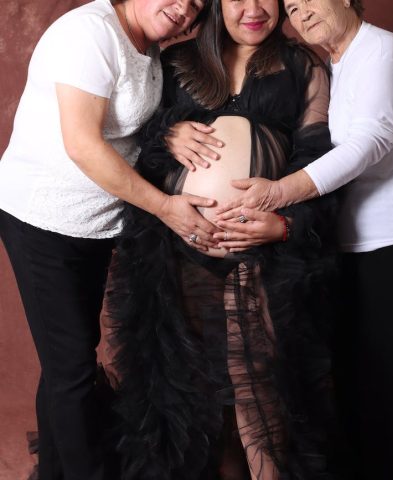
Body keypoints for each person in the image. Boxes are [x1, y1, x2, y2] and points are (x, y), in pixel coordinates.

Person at [107, 0, 340, 478]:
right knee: (191, 384)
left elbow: (323, 166)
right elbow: (134, 150)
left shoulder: (302, 65)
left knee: (260, 382)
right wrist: (167, 135)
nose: (253, 9)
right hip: (177, 248)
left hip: (267, 251)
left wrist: (287, 224)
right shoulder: (175, 62)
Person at [215, 0, 393, 479]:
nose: (301, 12)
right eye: (292, 6)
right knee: (349, 385)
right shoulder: (334, 64)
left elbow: (370, 143)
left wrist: (279, 192)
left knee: (389, 386)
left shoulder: (383, 51)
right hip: (345, 244)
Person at [0, 0, 213, 478]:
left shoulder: (150, 46)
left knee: (67, 361)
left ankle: (54, 472)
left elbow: (133, 133)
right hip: (42, 218)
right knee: (73, 368)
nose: (184, 7)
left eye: (198, 2)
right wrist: (164, 207)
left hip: (97, 221)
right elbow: (83, 143)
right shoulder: (91, 34)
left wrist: (171, 134)